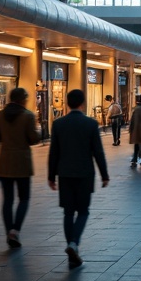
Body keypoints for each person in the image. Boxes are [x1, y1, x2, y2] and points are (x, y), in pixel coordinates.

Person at [48, 89, 109, 268]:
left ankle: (71, 247)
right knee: (83, 211)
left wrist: (51, 176)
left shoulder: (58, 124)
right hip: (84, 174)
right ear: (83, 103)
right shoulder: (90, 124)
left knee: (68, 212)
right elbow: (98, 151)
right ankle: (74, 243)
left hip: (65, 174)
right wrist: (104, 175)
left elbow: (54, 153)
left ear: (67, 103)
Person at [0, 86, 42, 248]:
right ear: (22, 99)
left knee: (7, 200)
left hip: (4, 163)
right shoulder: (28, 116)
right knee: (24, 198)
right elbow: (33, 139)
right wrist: (39, 131)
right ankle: (15, 231)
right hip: (22, 163)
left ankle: (8, 232)